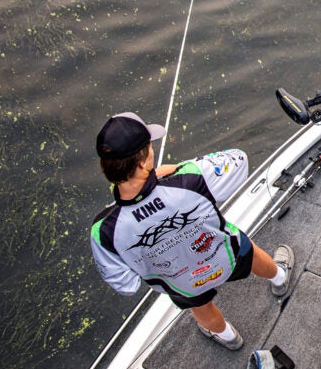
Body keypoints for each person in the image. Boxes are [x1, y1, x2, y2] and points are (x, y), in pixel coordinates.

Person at [90, 112, 295, 351]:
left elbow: (126, 284)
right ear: (143, 163)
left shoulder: (103, 229)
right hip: (225, 255)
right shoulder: (190, 176)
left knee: (200, 307)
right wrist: (177, 168)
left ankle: (229, 338)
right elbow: (239, 161)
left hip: (180, 283)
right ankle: (279, 278)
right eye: (150, 147)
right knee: (249, 252)